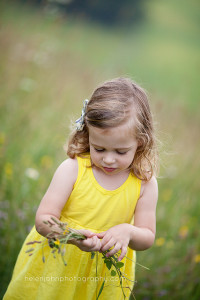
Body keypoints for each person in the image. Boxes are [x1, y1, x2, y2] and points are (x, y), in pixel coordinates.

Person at [4, 77, 158, 300]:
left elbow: (147, 237)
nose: (108, 159)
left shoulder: (144, 183)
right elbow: (44, 220)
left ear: (140, 143)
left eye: (120, 152)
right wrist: (71, 236)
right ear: (88, 134)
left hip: (104, 275)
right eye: (99, 148)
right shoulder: (73, 169)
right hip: (58, 264)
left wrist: (128, 231)